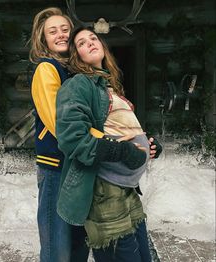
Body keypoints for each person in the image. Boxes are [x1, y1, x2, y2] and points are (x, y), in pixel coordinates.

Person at [55, 26, 162, 262]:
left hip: (126, 189)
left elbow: (118, 127)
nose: (90, 42)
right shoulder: (79, 84)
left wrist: (148, 144)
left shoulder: (109, 85)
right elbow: (72, 139)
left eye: (93, 38)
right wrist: (122, 151)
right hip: (104, 189)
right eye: (82, 43)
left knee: (143, 255)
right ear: (76, 56)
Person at [29, 8, 89, 262]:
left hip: (77, 167)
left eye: (65, 29)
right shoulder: (47, 69)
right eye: (53, 31)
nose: (61, 34)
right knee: (58, 248)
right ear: (43, 39)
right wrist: (101, 142)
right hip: (56, 168)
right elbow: (60, 123)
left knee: (78, 246)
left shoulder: (75, 70)